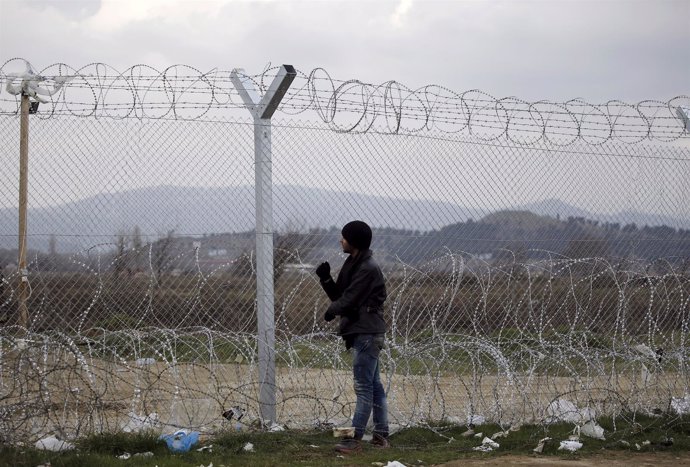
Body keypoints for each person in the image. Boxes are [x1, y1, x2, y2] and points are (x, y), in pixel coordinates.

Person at [315, 220, 390, 454]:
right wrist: (326, 279)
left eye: (344, 237)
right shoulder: (354, 264)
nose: (341, 240)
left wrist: (331, 311)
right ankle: (381, 435)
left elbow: (349, 301)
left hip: (367, 333)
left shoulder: (367, 267)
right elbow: (341, 296)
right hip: (365, 330)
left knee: (363, 387)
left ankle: (354, 439)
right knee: (374, 386)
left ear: (353, 241)